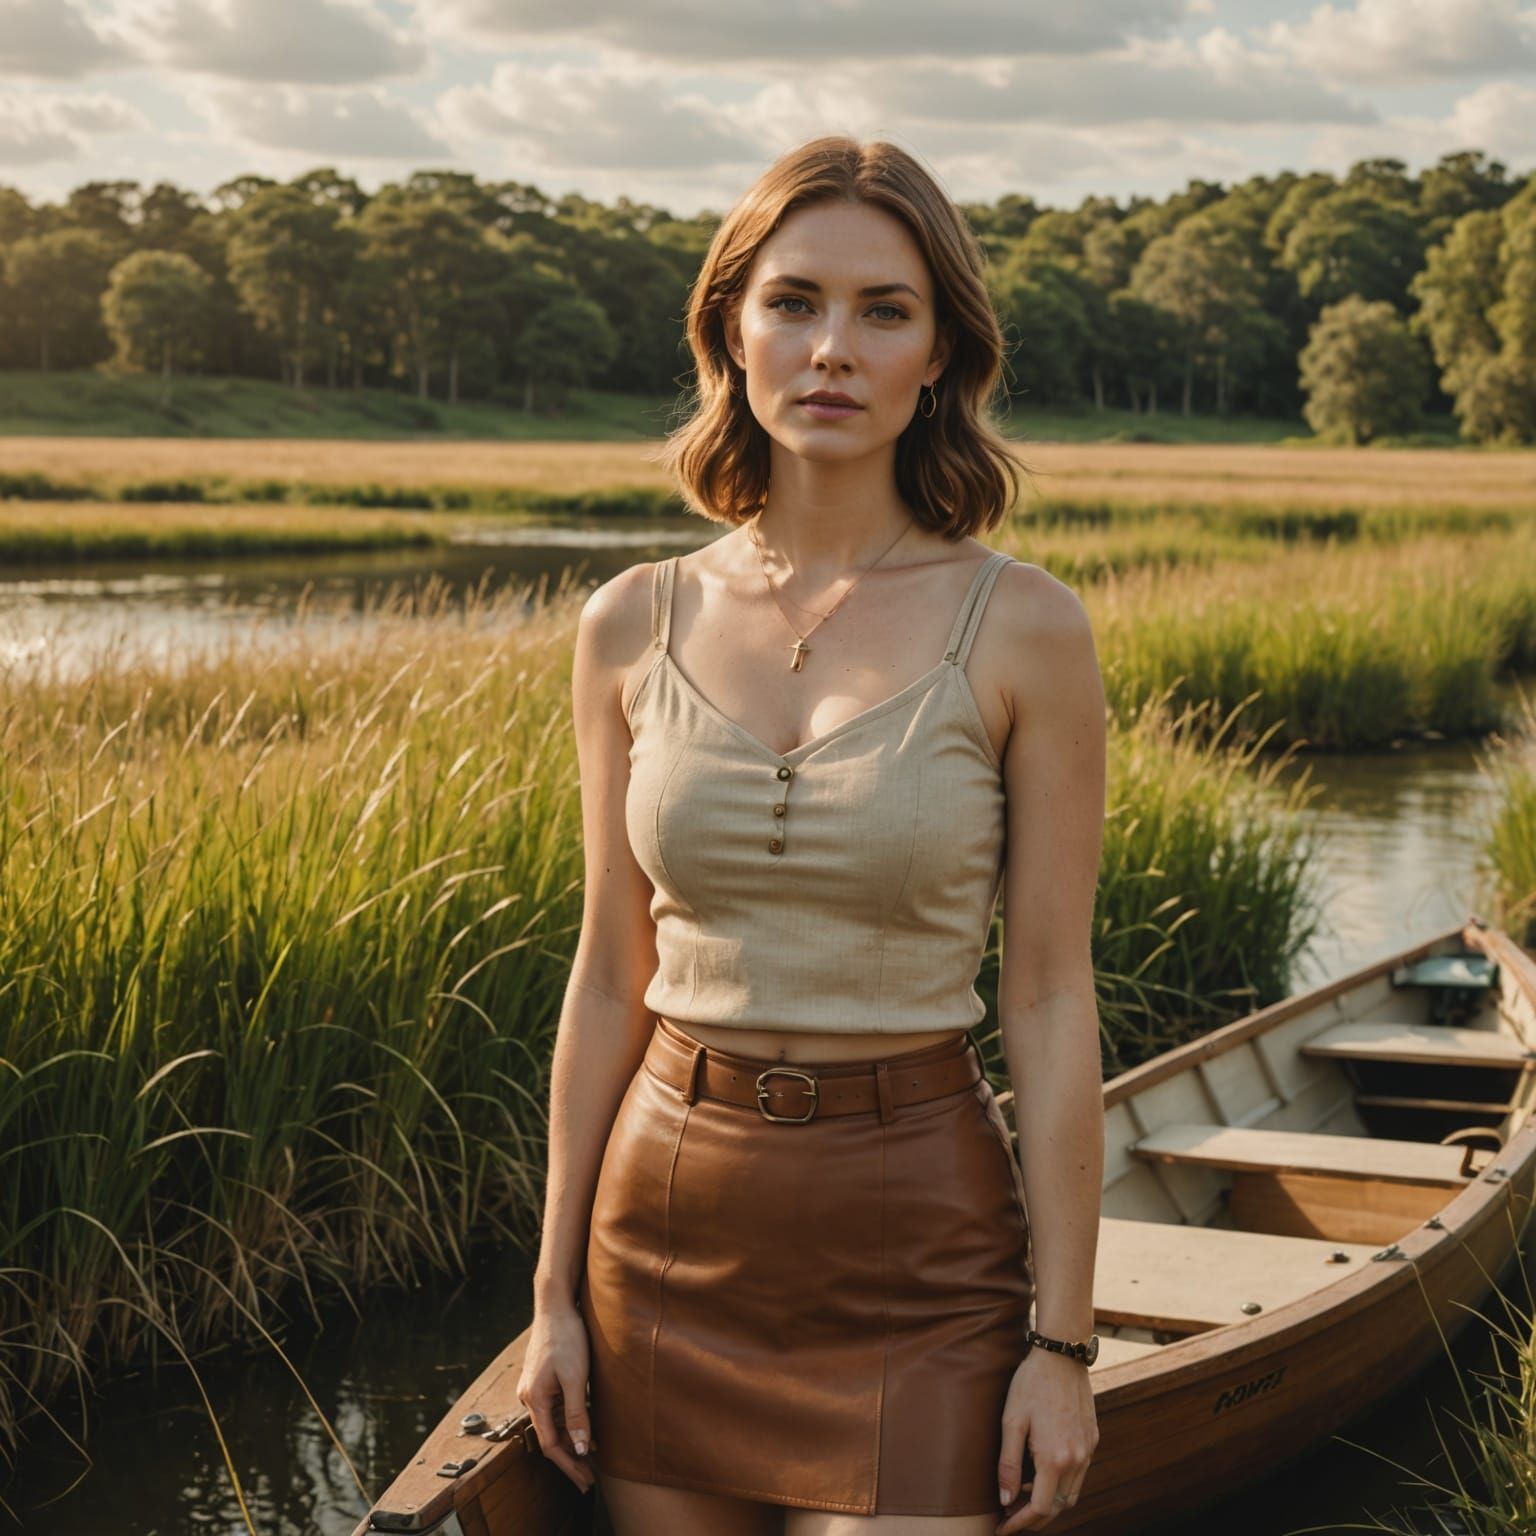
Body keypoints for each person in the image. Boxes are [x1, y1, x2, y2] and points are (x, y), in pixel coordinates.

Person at [517, 134, 1107, 1536]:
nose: (832, 347)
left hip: (919, 1240)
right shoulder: (629, 622)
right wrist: (551, 1298)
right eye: (794, 302)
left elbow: (1049, 992)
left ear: (941, 353)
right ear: (732, 327)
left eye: (883, 310)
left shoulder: (1026, 626)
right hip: (666, 1227)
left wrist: (1065, 1344)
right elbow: (607, 976)